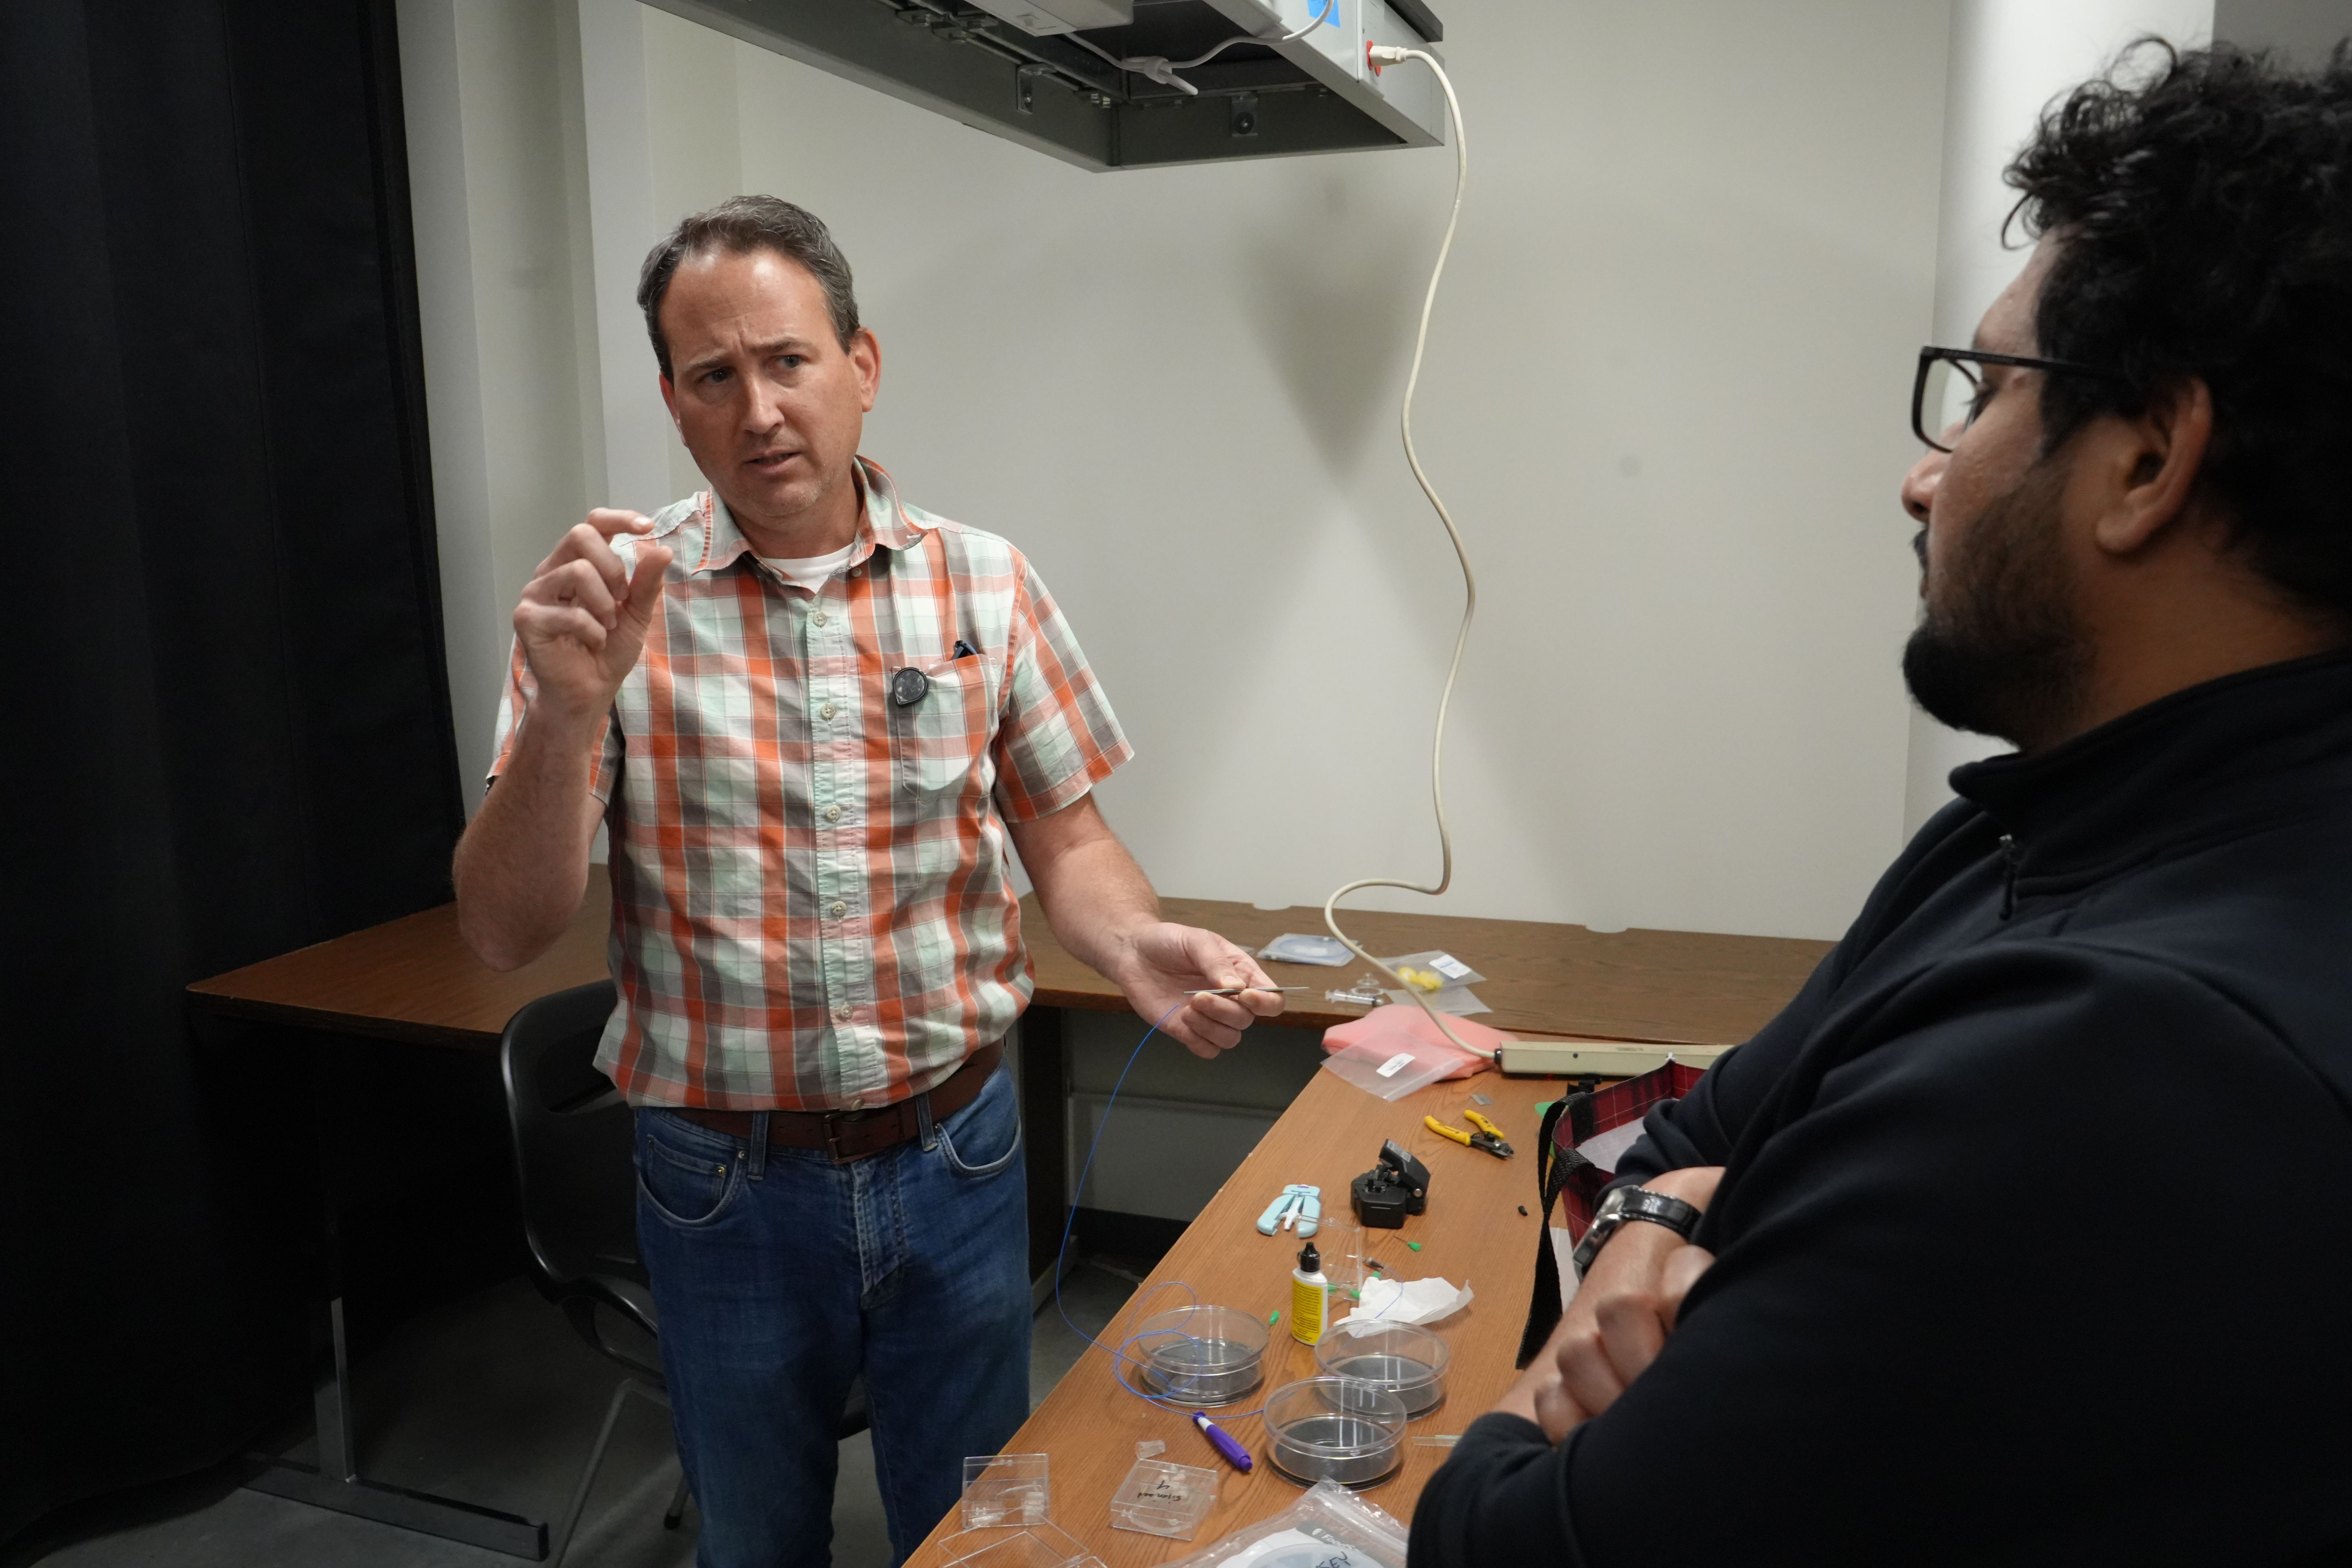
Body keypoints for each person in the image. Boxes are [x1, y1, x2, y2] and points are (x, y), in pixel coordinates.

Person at [1414, 41, 2352, 1565]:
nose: (1926, 477)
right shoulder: (2020, 832)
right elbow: (1682, 1135)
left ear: (2149, 459)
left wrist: (1535, 1388)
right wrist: (1666, 1213)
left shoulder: (2121, 1053)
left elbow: (1505, 1543)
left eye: (1987, 392)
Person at [451, 196, 1284, 1567]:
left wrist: (1133, 942)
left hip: (959, 1153)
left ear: (862, 364)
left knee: (974, 1534)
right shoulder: (612, 612)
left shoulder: (984, 583)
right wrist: (563, 716)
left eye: (788, 360)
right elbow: (503, 930)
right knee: (758, 1541)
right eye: (713, 376)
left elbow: (1068, 843)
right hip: (723, 1180)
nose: (759, 410)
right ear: (673, 404)